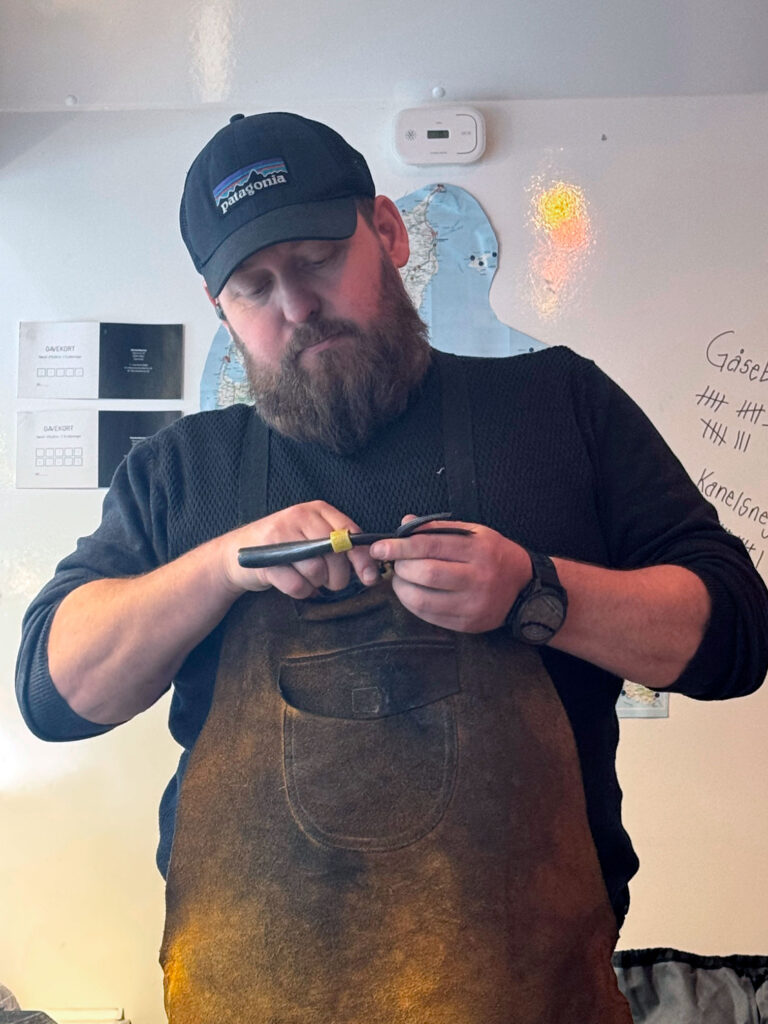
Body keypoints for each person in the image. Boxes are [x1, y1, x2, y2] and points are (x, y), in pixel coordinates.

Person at [16, 112, 768, 1023]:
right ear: (218, 306)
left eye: (318, 259)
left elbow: (737, 637)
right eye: (254, 287)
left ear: (388, 232)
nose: (296, 306)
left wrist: (535, 592)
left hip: (532, 1000)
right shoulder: (179, 473)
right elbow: (54, 696)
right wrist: (220, 567)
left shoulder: (559, 405)